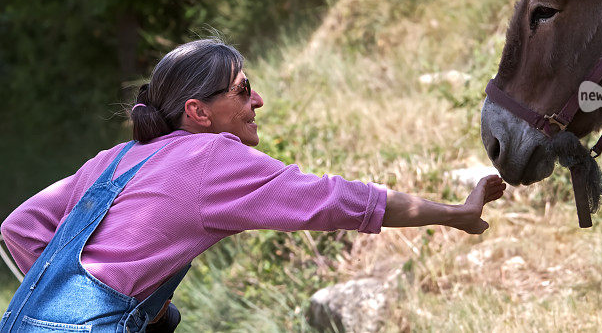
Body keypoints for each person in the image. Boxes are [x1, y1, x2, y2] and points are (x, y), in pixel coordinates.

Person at [0, 38, 505, 332]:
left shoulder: (114, 160)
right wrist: (454, 213)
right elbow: (337, 200)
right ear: (198, 112)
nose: (257, 100)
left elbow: (20, 228)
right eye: (243, 90)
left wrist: (134, 311)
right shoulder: (213, 156)